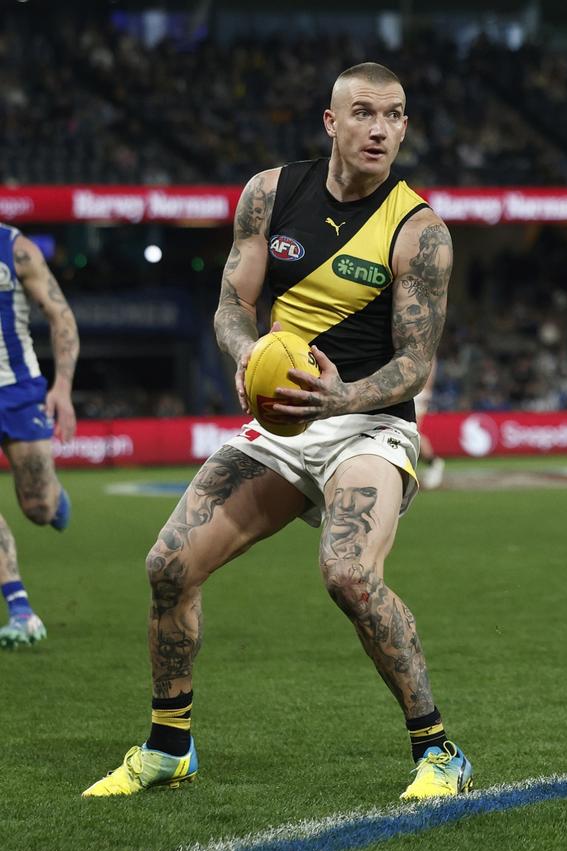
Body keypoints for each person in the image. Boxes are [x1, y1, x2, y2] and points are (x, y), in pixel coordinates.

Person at [83, 62, 472, 800]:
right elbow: (233, 305)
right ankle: (169, 747)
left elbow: (416, 364)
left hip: (368, 425)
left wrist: (340, 397)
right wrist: (247, 353)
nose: (381, 129)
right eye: (364, 113)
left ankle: (440, 751)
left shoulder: (421, 232)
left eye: (395, 115)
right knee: (168, 566)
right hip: (283, 422)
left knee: (349, 575)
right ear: (332, 122)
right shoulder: (269, 194)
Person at [0, 225, 78, 649]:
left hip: (16, 390)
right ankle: (21, 611)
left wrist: (61, 387)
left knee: (37, 507)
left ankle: (53, 501)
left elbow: (60, 314)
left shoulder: (17, 250)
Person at [414, 359, 446, 490]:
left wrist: (425, 390)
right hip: (412, 391)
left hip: (416, 393)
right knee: (411, 432)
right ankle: (433, 463)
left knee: (412, 432)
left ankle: (434, 463)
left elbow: (430, 362)